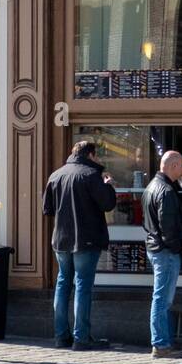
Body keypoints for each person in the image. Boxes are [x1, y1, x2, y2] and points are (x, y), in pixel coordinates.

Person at [42, 139, 116, 350]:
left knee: (63, 284)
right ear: (91, 155)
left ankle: (61, 336)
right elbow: (108, 204)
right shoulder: (92, 175)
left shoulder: (56, 175)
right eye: (96, 155)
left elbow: (47, 209)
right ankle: (81, 338)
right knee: (83, 286)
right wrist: (109, 186)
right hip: (86, 238)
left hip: (61, 239)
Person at [142, 151, 182, 358]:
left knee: (161, 298)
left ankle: (162, 342)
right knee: (162, 299)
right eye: (181, 166)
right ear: (172, 166)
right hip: (164, 251)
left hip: (156, 248)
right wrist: (177, 249)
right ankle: (161, 344)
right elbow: (168, 227)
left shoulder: (152, 187)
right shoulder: (165, 190)